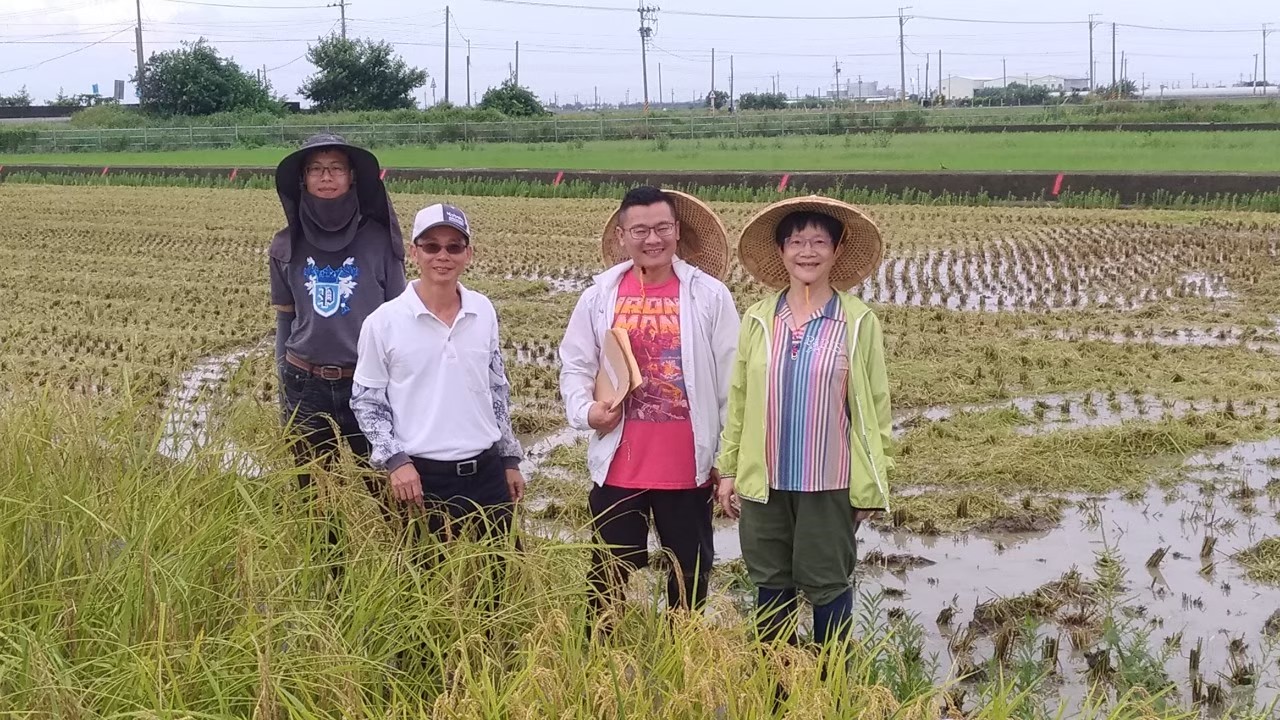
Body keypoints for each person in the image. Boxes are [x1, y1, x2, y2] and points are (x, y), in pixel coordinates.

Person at [715, 195, 892, 649]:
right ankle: (774, 685)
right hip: (765, 481)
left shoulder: (856, 321)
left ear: (836, 250)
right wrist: (729, 469)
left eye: (818, 241)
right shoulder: (758, 318)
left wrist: (871, 481)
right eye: (796, 241)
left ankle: (833, 687)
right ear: (781, 252)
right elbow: (740, 399)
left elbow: (874, 406)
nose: (807, 252)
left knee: (828, 583)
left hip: (828, 481)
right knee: (771, 583)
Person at [558, 186, 739, 628]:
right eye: (640, 229)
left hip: (687, 469)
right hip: (620, 464)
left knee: (689, 577)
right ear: (622, 235)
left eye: (661, 228)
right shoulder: (599, 296)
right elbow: (574, 365)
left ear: (677, 232)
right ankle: (599, 665)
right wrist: (587, 413)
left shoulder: (709, 296)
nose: (651, 239)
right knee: (607, 577)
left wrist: (726, 460)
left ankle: (683, 663)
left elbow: (734, 384)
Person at [351, 203, 526, 550]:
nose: (442, 256)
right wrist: (395, 461)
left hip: (487, 473)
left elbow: (496, 390)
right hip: (421, 478)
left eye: (454, 246)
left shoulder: (483, 310)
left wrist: (509, 459)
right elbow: (366, 402)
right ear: (415, 252)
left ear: (468, 254)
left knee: (498, 585)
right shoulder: (383, 322)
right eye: (431, 246)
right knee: (426, 587)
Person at [268, 133, 406, 521]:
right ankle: (328, 578)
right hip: (305, 384)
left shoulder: (380, 242)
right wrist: (285, 392)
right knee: (316, 504)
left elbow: (399, 323)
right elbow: (285, 320)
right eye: (315, 169)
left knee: (391, 497)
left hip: (367, 385)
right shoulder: (284, 246)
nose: (325, 177)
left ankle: (403, 572)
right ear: (303, 181)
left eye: (335, 169)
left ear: (351, 178)